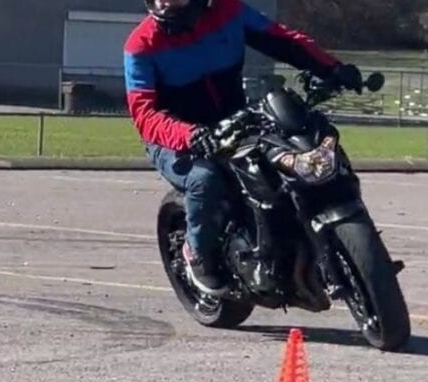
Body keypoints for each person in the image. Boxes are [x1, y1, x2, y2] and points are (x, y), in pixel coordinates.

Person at [124, 0, 364, 296]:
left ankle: (311, 234)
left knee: (296, 148)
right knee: (205, 179)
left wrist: (332, 68)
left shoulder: (229, 12)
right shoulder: (141, 44)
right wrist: (189, 135)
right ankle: (199, 255)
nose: (166, 2)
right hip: (175, 137)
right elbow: (144, 113)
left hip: (236, 118)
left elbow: (283, 40)